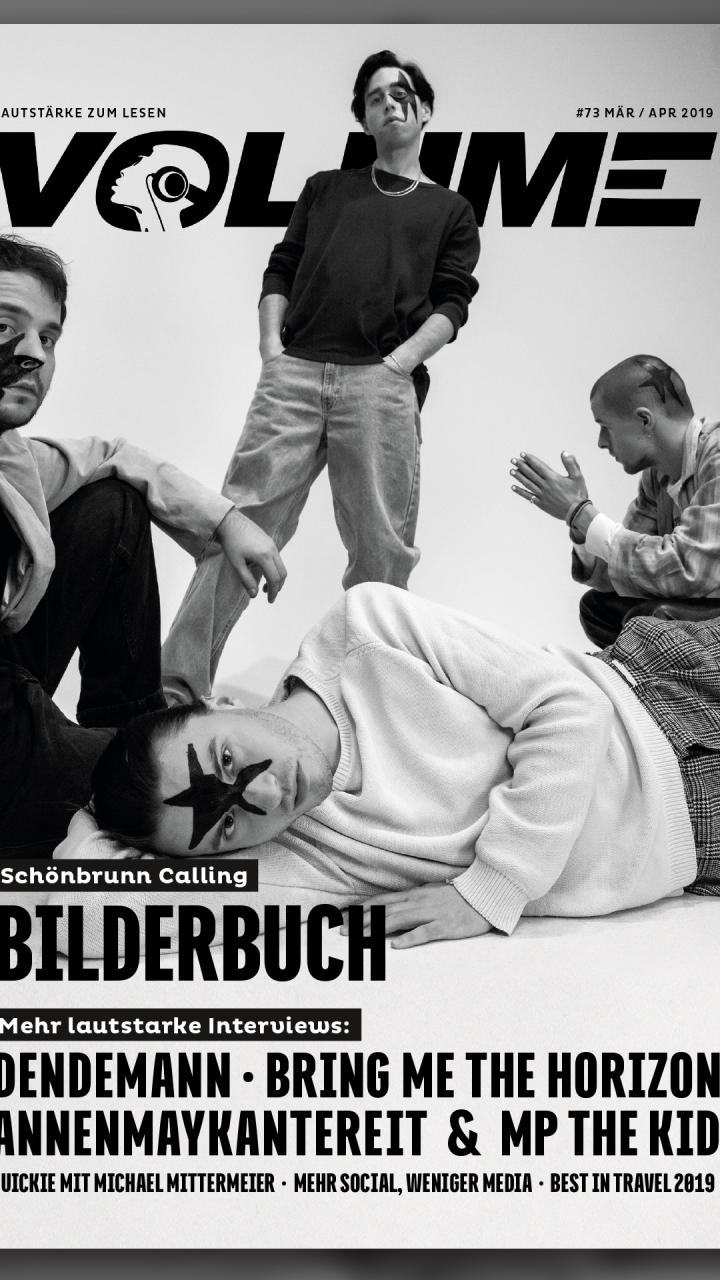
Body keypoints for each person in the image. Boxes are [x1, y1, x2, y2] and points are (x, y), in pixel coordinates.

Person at [72, 580, 714, 954]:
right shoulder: (295, 858)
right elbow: (84, 920)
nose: (264, 794)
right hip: (693, 835)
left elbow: (570, 706)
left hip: (662, 685)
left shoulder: (364, 627)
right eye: (225, 826)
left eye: (226, 757)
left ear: (219, 703)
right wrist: (97, 818)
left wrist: (492, 888)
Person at [161, 49, 480, 705]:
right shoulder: (326, 189)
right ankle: (174, 694)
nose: (389, 103)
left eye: (401, 93)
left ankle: (362, 705)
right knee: (238, 529)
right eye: (374, 97)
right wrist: (271, 349)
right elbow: (282, 266)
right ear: (363, 118)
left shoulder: (449, 209)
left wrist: (400, 363)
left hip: (381, 387)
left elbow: (453, 303)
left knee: (382, 556)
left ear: (425, 110)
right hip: (295, 376)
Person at [0, 234, 286, 856]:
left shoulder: (11, 456)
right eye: (6, 327)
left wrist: (226, 521)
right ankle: (111, 783)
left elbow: (113, 456)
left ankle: (132, 731)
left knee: (112, 504)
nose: (33, 354)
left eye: (48, 338)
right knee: (197, 785)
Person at [510, 355, 720, 647]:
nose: (601, 441)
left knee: (652, 619)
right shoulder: (656, 477)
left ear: (644, 420)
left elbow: (689, 569)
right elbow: (620, 571)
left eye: (605, 426)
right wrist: (579, 521)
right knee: (598, 608)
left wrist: (581, 513)